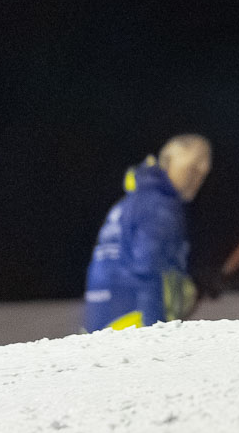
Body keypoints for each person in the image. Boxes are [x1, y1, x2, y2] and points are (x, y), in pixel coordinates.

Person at [81, 134, 213, 331]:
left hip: (102, 317)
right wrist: (155, 330)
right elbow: (147, 268)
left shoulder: (132, 201)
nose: (196, 180)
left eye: (202, 173)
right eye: (191, 170)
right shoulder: (160, 206)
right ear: (170, 164)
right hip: (132, 319)